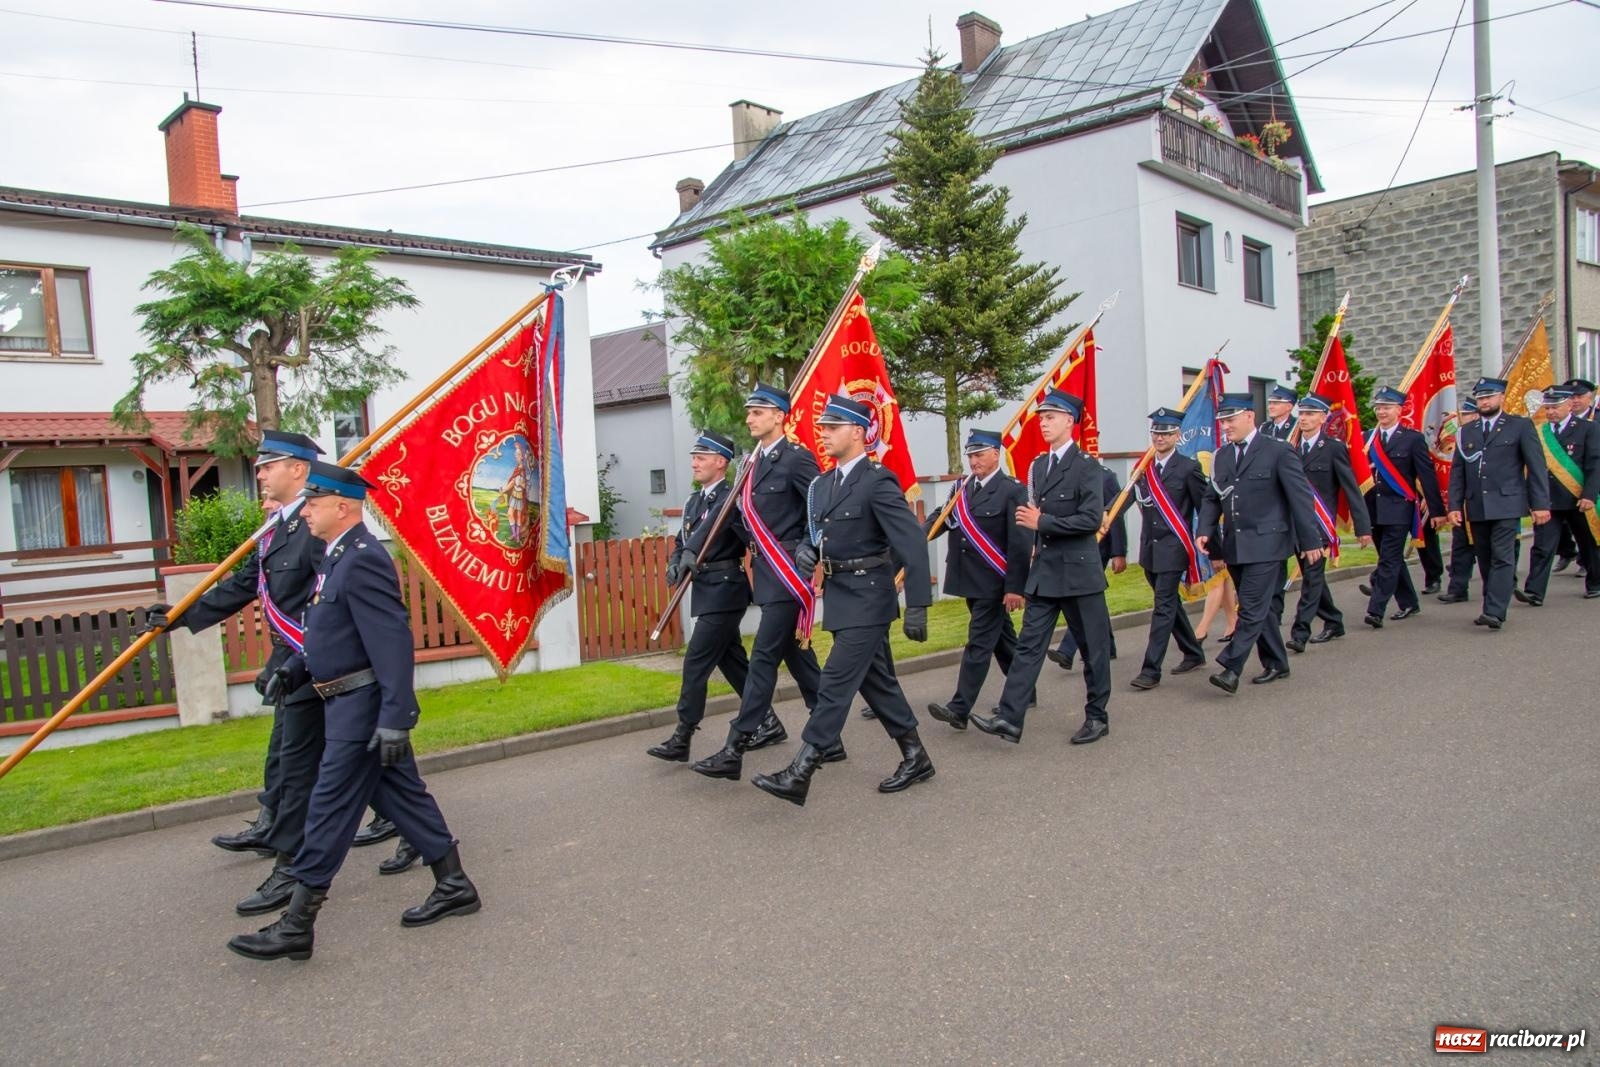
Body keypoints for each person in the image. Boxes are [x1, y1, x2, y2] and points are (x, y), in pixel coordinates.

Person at [227, 462, 480, 962]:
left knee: (328, 809)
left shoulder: (363, 559)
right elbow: (331, 632)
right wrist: (295, 669)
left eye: (314, 503)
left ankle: (297, 924)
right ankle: (454, 884)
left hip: (361, 709)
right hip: (345, 702)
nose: (306, 511)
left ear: (342, 507)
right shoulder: (336, 557)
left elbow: (391, 643)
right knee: (403, 797)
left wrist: (397, 719)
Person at [142, 430, 327, 916]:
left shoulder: (315, 525)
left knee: (304, 765)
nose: (259, 474)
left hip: (315, 661)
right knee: (316, 759)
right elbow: (247, 583)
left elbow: (326, 602)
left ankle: (292, 867)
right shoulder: (278, 529)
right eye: (259, 466)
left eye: (269, 465)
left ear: (298, 469)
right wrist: (180, 616)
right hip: (292, 661)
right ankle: (419, 837)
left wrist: (294, 661)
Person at [750, 395, 933, 805]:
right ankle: (916, 755)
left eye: (833, 428)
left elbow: (912, 543)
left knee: (833, 682)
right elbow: (818, 535)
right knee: (877, 682)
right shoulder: (822, 485)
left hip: (869, 596)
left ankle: (801, 770)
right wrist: (806, 551)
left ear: (858, 432)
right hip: (840, 596)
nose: (824, 434)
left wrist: (918, 605)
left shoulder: (877, 480)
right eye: (823, 428)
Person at [691, 383, 838, 781]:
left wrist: (810, 546)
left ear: (779, 416)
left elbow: (821, 508)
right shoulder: (749, 465)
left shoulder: (796, 459)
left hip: (788, 571)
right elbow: (738, 519)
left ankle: (734, 747)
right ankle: (830, 737)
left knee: (762, 659)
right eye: (749, 412)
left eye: (758, 412)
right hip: (767, 571)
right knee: (798, 658)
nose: (749, 418)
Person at [970, 389, 1113, 745]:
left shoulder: (1087, 466)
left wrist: (1043, 522)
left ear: (1069, 421)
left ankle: (1097, 716)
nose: (1044, 423)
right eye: (1042, 418)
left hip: (1079, 574)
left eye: (1051, 417)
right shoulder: (1038, 466)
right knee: (1028, 648)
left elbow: (1091, 519)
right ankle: (1010, 717)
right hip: (1046, 572)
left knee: (1093, 650)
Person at [1195, 394, 1323, 694]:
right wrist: (1205, 529)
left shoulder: (1277, 450)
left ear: (1249, 416)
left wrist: (1310, 540)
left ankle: (1231, 667)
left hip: (1269, 543)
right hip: (1236, 545)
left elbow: (1300, 498)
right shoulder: (1222, 456)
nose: (1226, 426)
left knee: (1251, 607)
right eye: (1223, 421)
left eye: (1231, 420)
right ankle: (1277, 662)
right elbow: (1213, 497)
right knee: (1260, 608)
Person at [647, 430, 751, 763]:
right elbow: (684, 541)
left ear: (721, 462)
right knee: (733, 662)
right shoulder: (694, 501)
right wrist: (675, 562)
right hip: (706, 590)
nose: (694, 463)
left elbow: (713, 532)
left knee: (695, 661)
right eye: (693, 457)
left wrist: (691, 551)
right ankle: (766, 720)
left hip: (725, 589)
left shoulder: (731, 498)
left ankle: (683, 735)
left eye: (701, 458)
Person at [925, 429, 1033, 729]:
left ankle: (959, 708)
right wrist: (918, 536)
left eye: (980, 455)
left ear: (996, 454)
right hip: (969, 578)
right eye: (970, 455)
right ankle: (1025, 690)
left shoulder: (1012, 490)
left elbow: (1020, 542)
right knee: (1002, 639)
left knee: (980, 642)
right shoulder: (963, 487)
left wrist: (1015, 587)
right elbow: (943, 516)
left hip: (994, 580)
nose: (974, 461)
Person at [1447, 376, 1551, 629]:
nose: (1484, 402)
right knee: (1485, 557)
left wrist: (1540, 504)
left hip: (1507, 502)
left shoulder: (1519, 426)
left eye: (1489, 397)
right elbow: (1458, 472)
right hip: (1476, 505)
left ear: (1501, 397)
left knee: (1503, 557)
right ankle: (1490, 604)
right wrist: (1454, 506)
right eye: (1480, 398)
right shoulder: (1466, 431)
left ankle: (1495, 611)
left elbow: (1536, 467)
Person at [1126, 407, 1208, 690]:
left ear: (1177, 435)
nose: (1159, 438)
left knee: (1162, 607)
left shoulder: (1188, 468)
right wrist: (1104, 516)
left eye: (1166, 433)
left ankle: (1151, 670)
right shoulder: (1144, 468)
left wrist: (1214, 546)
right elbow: (1126, 499)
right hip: (1149, 549)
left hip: (1174, 548)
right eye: (1156, 433)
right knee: (1170, 603)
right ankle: (1193, 652)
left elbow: (1204, 508)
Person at [1285, 395, 1373, 652]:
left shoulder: (1333, 448)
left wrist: (1362, 527)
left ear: (1323, 418)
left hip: (1320, 527)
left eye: (1310, 414)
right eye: (1302, 414)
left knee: (1312, 579)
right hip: (1295, 525)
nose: (1304, 419)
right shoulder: (1290, 449)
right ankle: (1334, 620)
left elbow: (1351, 489)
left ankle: (1300, 632)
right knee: (1314, 578)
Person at [1361, 386, 1446, 629]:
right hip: (1373, 508)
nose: (1381, 412)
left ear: (1399, 410)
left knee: (1389, 559)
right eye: (1378, 408)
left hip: (1399, 507)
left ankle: (1375, 610)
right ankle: (1409, 602)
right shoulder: (1367, 438)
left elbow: (1426, 475)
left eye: (1387, 408)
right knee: (1391, 558)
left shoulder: (1412, 439)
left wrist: (1437, 511)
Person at [1517, 386, 1600, 604]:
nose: (1551, 412)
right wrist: (1533, 500)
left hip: (1578, 498)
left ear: (1569, 405)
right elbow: (1532, 468)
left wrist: (1589, 495)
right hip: (1548, 500)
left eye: (1555, 407)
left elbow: (1594, 464)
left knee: (1588, 543)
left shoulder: (1588, 428)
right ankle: (1534, 592)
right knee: (1542, 547)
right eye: (1547, 408)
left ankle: (1595, 583)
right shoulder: (1538, 431)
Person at [1048, 459, 1124, 669]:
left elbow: (1114, 515)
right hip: (1076, 548)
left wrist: (1119, 552)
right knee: (1093, 598)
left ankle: (1067, 650)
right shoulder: (1065, 474)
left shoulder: (1105, 476)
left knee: (1081, 597)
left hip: (1098, 546)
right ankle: (1108, 646)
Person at [1438, 395, 1482, 604]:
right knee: (1460, 547)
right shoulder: (1461, 436)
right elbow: (1456, 474)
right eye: (1462, 414)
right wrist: (1454, 504)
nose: (1463, 417)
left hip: (1489, 501)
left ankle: (1506, 585)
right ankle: (1457, 588)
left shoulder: (1488, 435)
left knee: (1496, 550)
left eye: (1468, 414)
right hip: (1465, 502)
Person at [1553, 378, 1597, 575]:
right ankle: (1567, 551)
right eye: (1572, 397)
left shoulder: (1595, 419)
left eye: (1579, 396)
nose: (1575, 400)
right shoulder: (1552, 423)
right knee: (1560, 521)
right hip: (1563, 480)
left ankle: (1586, 562)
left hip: (1592, 476)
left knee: (1588, 527)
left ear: (1591, 397)